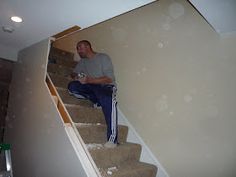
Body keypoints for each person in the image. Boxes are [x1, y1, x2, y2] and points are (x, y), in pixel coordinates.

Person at [68, 40, 118, 148]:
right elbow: (73, 73)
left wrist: (89, 80)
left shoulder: (103, 57)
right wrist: (77, 77)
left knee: (107, 99)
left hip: (106, 86)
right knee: (72, 87)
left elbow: (109, 79)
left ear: (88, 47)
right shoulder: (83, 62)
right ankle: (97, 101)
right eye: (77, 48)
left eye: (80, 47)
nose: (78, 50)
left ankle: (112, 139)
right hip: (92, 87)